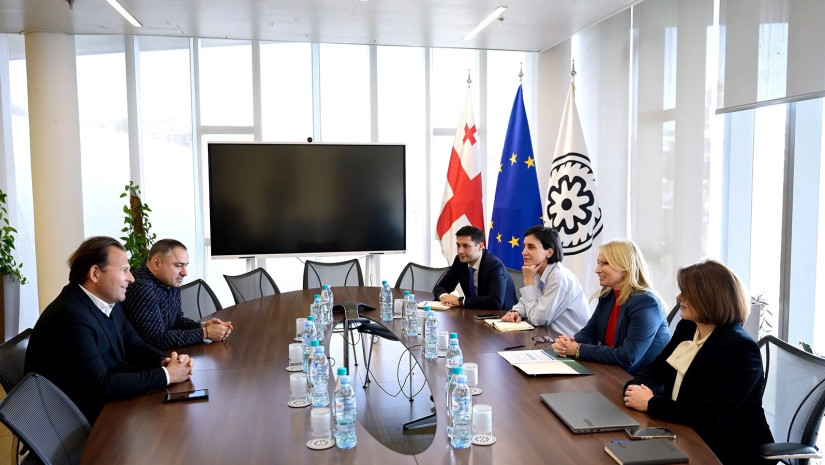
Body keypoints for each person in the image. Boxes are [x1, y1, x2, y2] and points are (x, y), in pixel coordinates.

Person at [25, 236, 194, 423]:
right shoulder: (69, 316)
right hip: (73, 421)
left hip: (104, 405)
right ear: (95, 273)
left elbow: (134, 344)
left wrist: (164, 361)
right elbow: (102, 386)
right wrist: (167, 375)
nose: (131, 278)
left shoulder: (106, 302)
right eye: (124, 270)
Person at [623, 260, 774, 465]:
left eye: (686, 293)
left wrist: (651, 403)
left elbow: (713, 417)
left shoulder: (740, 348)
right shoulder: (688, 327)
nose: (679, 297)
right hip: (680, 431)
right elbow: (658, 369)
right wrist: (635, 387)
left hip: (726, 450)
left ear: (709, 298)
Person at [552, 238, 669, 374]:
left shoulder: (646, 303)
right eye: (598, 263)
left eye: (605, 263)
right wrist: (570, 342)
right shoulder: (608, 293)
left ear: (625, 268)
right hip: (612, 370)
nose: (597, 270)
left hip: (639, 379)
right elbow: (590, 331)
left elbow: (628, 356)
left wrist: (578, 349)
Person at [122, 239, 232, 349]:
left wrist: (202, 325)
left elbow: (177, 321)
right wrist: (205, 333)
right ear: (156, 263)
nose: (185, 273)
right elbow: (157, 339)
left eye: (186, 265)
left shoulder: (170, 282)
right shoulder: (142, 287)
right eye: (178, 265)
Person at [500, 225, 588, 335]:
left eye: (531, 247)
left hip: (572, 340)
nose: (523, 252)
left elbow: (537, 319)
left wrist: (528, 281)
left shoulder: (558, 276)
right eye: (524, 246)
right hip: (550, 336)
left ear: (549, 252)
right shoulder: (538, 271)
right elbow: (526, 301)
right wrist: (516, 311)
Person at [433, 225, 517, 310]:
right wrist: (445, 298)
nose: (460, 251)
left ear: (480, 246)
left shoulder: (494, 265)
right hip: (475, 312)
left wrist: (460, 301)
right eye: (458, 245)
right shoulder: (460, 261)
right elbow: (441, 287)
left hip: (504, 314)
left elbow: (495, 301)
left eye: (466, 246)